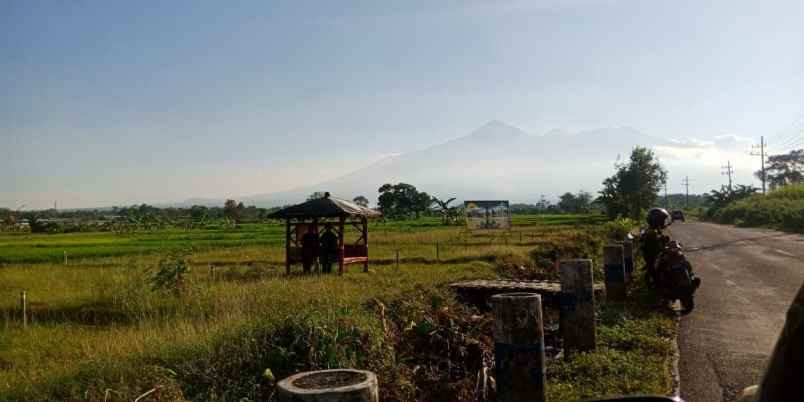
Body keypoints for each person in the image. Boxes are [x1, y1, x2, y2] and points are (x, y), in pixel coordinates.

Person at [641, 208, 671, 287]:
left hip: (657, 253)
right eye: (662, 220)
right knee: (657, 268)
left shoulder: (655, 229)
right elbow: (654, 242)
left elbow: (661, 238)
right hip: (653, 256)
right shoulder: (651, 232)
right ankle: (659, 285)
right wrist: (661, 239)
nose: (664, 222)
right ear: (657, 221)